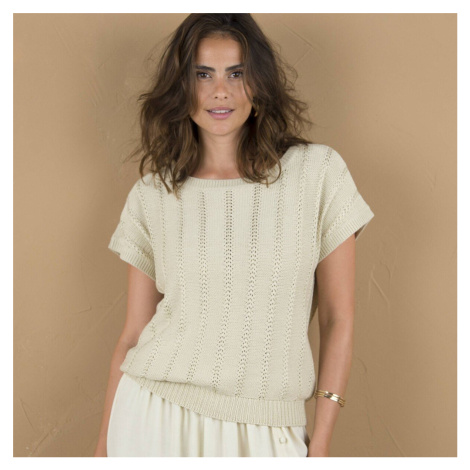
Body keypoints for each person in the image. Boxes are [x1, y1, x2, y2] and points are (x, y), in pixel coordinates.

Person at [94, 13, 375, 458]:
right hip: (153, 416)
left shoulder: (318, 173)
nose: (220, 91)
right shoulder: (154, 194)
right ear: (181, 87)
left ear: (259, 83)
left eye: (237, 73)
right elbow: (133, 334)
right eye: (203, 74)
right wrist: (102, 450)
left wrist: (321, 441)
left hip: (270, 425)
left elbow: (337, 317)